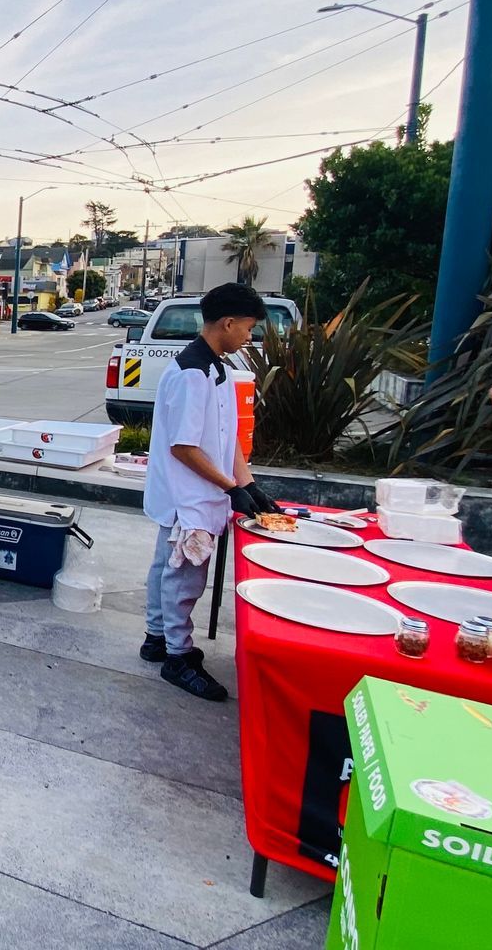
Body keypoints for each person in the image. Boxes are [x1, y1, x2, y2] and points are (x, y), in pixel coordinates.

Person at [140, 282, 277, 701]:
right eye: (248, 328)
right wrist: (228, 487)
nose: (249, 337)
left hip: (203, 491)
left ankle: (157, 638)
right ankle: (178, 656)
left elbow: (225, 435)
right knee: (184, 575)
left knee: (168, 565)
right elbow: (183, 446)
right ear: (228, 322)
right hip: (188, 496)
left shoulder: (217, 367)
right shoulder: (190, 374)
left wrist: (248, 484)